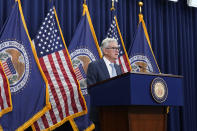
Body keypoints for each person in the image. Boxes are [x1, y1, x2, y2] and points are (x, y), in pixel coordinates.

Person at [86, 37, 123, 131]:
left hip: (118, 113)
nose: (117, 51)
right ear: (105, 50)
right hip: (101, 113)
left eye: (118, 48)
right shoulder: (94, 66)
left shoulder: (118, 68)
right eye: (114, 48)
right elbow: (91, 89)